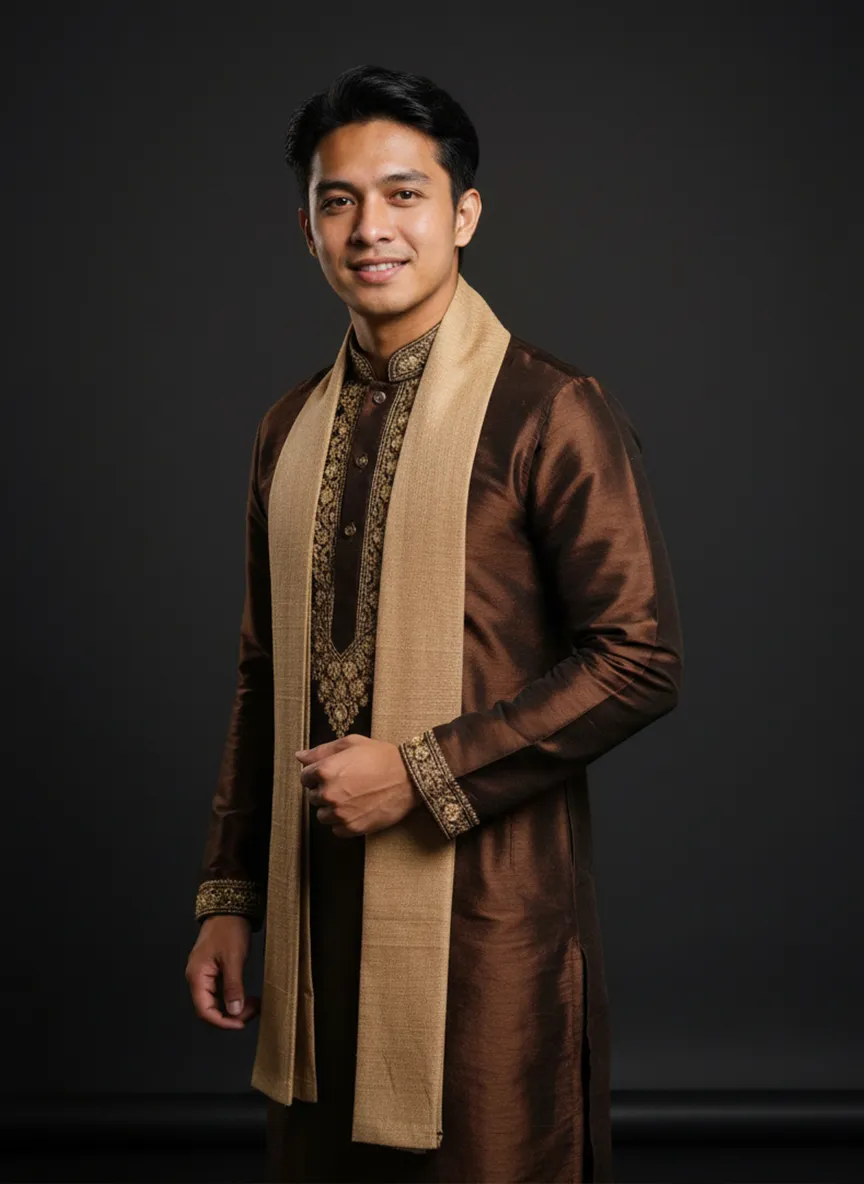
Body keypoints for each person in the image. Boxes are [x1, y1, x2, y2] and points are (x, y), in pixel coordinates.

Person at [185, 63, 683, 1184]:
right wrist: (230, 897)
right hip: (316, 920)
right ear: (308, 228)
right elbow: (266, 675)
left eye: (404, 195)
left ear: (463, 214)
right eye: (339, 200)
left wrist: (420, 772)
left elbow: (639, 657)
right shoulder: (288, 429)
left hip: (487, 921)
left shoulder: (548, 409)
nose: (371, 228)